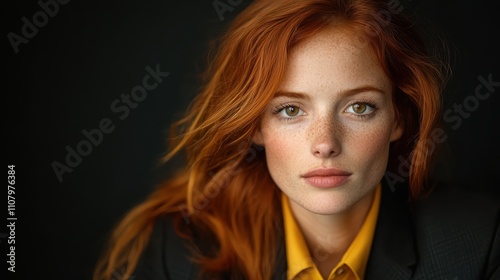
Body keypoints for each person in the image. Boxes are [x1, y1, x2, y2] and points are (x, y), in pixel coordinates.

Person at [94, 0, 500, 279]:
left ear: (399, 117)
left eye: (359, 108)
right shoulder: (177, 249)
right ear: (254, 125)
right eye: (290, 110)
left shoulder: (479, 242)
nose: (325, 143)